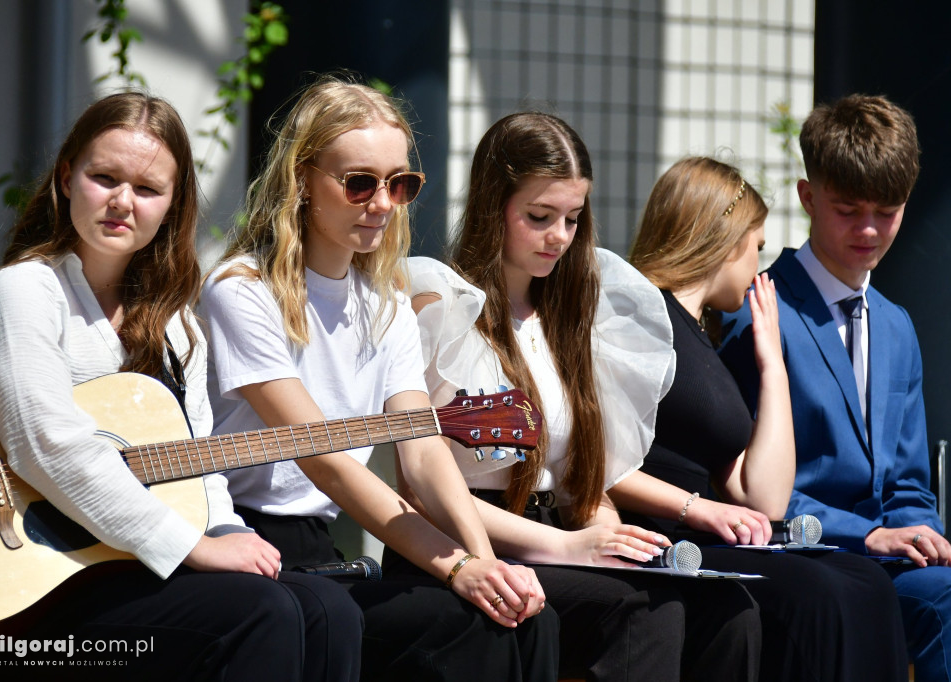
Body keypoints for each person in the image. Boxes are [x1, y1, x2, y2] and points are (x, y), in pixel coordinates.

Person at [0, 91, 362, 681]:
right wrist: (195, 548)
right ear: (67, 178)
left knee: (330, 611)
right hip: (43, 578)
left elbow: (198, 459)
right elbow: (48, 447)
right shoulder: (25, 290)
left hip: (134, 562)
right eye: (104, 177)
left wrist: (226, 530)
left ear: (172, 205)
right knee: (262, 614)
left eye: (148, 190)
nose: (123, 202)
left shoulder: (174, 321)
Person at [200, 76, 558, 682]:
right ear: (302, 180)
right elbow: (323, 458)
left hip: (321, 545)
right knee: (458, 616)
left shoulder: (387, 301)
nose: (384, 202)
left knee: (522, 616)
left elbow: (421, 448)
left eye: (401, 184)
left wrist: (485, 561)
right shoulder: (243, 291)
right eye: (360, 182)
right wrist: (455, 568)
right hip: (240, 539)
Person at [406, 111, 761, 681]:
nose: (560, 238)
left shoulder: (573, 314)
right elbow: (422, 491)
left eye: (573, 219)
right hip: (464, 542)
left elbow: (583, 476)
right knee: (640, 611)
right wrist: (568, 545)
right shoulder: (440, 304)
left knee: (727, 607)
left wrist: (608, 532)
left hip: (557, 532)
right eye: (539, 217)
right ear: (492, 205)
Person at [620, 155, 908, 682]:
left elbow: (765, 499)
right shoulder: (639, 317)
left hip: (705, 533)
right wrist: (697, 508)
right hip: (664, 538)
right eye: (756, 247)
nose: (759, 265)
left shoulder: (704, 335)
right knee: (820, 594)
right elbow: (598, 459)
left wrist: (773, 364)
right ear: (727, 242)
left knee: (863, 580)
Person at [718, 93, 951, 680]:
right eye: (849, 209)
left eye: (888, 210)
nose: (869, 229)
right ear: (807, 197)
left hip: (884, 562)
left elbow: (909, 485)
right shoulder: (758, 309)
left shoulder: (896, 325)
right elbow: (743, 484)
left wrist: (923, 534)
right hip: (800, 556)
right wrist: (869, 534)